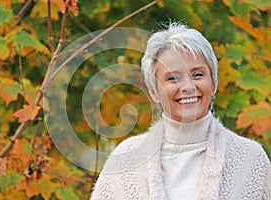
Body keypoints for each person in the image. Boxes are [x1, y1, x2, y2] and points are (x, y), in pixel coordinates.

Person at [90, 22, 271, 200]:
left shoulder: (250, 158)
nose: (187, 87)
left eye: (197, 74)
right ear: (153, 91)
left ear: (214, 82)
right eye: (173, 78)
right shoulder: (126, 159)